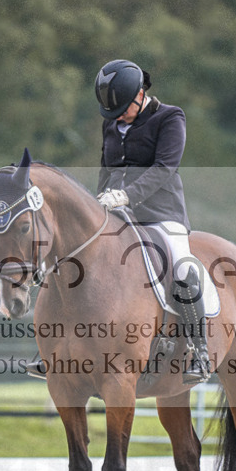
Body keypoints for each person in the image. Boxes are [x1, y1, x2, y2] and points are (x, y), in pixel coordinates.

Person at [93, 59, 210, 384]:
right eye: (111, 114)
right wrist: (98, 204)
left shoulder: (169, 118)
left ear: (139, 94)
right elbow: (106, 169)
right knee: (80, 259)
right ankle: (61, 348)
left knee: (184, 268)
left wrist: (127, 195)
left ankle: (199, 351)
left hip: (161, 215)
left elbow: (164, 168)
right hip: (116, 214)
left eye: (122, 111)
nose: (117, 119)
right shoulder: (112, 122)